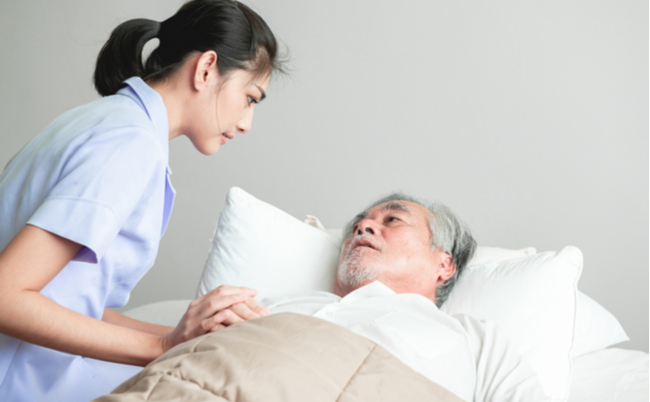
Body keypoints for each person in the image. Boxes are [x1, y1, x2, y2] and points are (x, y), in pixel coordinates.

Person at [0, 1, 280, 400]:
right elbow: (6, 297)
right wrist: (160, 347)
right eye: (251, 97)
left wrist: (185, 340)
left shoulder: (105, 119)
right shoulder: (130, 144)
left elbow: (67, 298)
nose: (247, 122)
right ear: (206, 69)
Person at [261, 193, 551, 402]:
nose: (363, 228)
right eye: (357, 226)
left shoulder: (474, 340)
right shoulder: (270, 306)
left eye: (393, 219)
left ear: (444, 265)